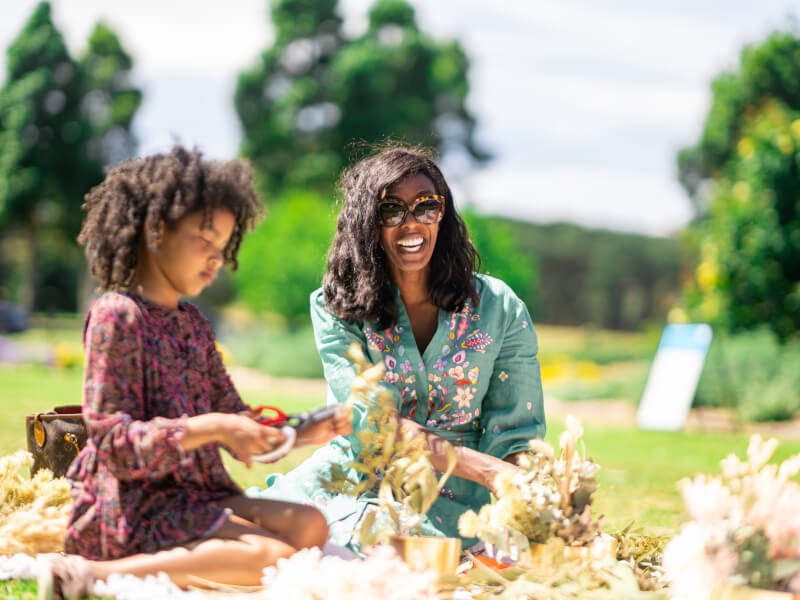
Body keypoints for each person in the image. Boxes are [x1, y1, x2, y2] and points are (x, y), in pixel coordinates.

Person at [39, 147, 351, 599]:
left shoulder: (193, 324)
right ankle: (86, 577)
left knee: (310, 525)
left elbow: (235, 416)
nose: (216, 259)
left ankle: (182, 559)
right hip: (131, 504)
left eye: (222, 248)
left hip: (196, 497)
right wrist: (212, 427)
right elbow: (114, 444)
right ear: (155, 231)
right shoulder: (117, 315)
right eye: (204, 242)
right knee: (274, 558)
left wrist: (302, 431)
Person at [253, 145, 545, 551]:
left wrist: (536, 502)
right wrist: (489, 471)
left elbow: (516, 434)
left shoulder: (499, 308)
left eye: (426, 207)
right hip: (348, 484)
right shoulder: (334, 306)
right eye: (391, 210)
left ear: (442, 213)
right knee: (245, 537)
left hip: (454, 506)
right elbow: (374, 423)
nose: (411, 224)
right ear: (366, 223)